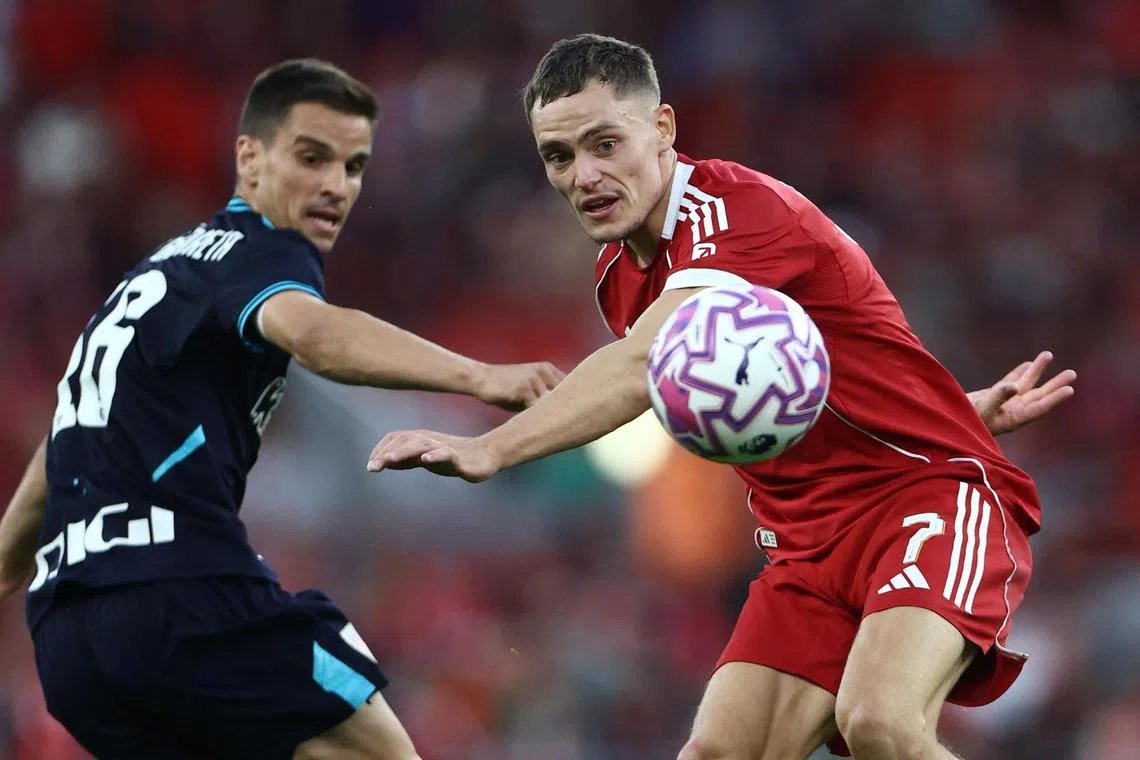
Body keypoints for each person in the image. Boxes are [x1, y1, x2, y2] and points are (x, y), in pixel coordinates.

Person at [367, 35, 1077, 759]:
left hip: (922, 497)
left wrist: (490, 447)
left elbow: (643, 361)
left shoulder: (733, 213)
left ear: (664, 129)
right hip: (805, 544)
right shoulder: (619, 274)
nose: (584, 175)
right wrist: (954, 406)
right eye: (559, 156)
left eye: (605, 143)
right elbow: (804, 370)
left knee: (882, 723)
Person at [0, 58, 565, 760]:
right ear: (250, 157)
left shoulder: (151, 280)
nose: (336, 185)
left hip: (70, 645)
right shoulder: (258, 250)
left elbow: (58, 456)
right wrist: (478, 375)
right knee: (376, 749)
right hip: (176, 595)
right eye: (311, 156)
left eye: (353, 166)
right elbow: (314, 333)